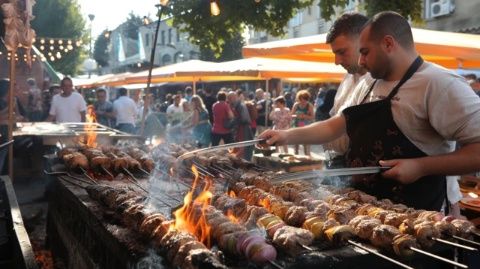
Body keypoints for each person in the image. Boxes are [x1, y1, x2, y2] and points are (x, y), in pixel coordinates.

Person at [260, 11, 480, 212]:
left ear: (388, 44)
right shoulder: (368, 82)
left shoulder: (439, 84)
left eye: (365, 52)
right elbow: (335, 125)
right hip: (367, 211)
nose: (360, 60)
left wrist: (421, 167)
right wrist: (286, 135)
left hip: (419, 215)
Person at [322, 12, 371, 167]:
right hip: (339, 164)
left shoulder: (379, 81)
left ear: (363, 40)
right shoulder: (347, 78)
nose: (337, 62)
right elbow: (333, 122)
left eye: (342, 52)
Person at [228, 91, 253, 161]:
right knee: (240, 145)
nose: (229, 100)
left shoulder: (240, 106)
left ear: (234, 97)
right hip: (239, 128)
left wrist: (233, 122)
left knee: (244, 146)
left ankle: (245, 160)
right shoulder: (236, 105)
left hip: (243, 128)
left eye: (230, 98)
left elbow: (244, 119)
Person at [291, 89, 314, 156]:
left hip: (306, 127)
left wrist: (304, 116)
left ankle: (307, 158)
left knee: (306, 144)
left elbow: (312, 117)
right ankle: (296, 158)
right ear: (299, 98)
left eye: (304, 99)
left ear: (307, 99)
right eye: (301, 99)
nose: (303, 101)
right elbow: (291, 115)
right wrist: (296, 116)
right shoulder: (296, 105)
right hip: (296, 126)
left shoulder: (309, 106)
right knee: (296, 143)